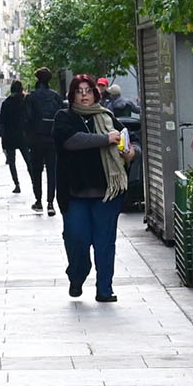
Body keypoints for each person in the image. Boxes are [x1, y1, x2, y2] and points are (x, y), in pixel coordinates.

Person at [55, 74, 139, 302]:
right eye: (79, 91)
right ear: (71, 95)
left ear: (96, 93)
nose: (84, 95)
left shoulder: (107, 117)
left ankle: (104, 289)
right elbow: (72, 141)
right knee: (77, 239)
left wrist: (130, 152)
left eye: (88, 90)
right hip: (74, 194)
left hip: (107, 193)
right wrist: (106, 139)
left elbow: (129, 143)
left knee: (105, 243)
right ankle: (77, 275)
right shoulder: (64, 117)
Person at [24, 68, 63, 216]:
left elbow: (27, 119)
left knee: (37, 170)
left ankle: (38, 200)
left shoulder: (31, 97)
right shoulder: (55, 96)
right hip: (52, 138)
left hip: (36, 139)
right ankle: (51, 203)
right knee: (52, 170)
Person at [0, 80, 26, 194]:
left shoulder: (6, 103)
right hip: (23, 134)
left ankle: (17, 184)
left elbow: (2, 120)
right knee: (29, 161)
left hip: (9, 135)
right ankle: (34, 182)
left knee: (12, 161)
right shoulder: (25, 101)